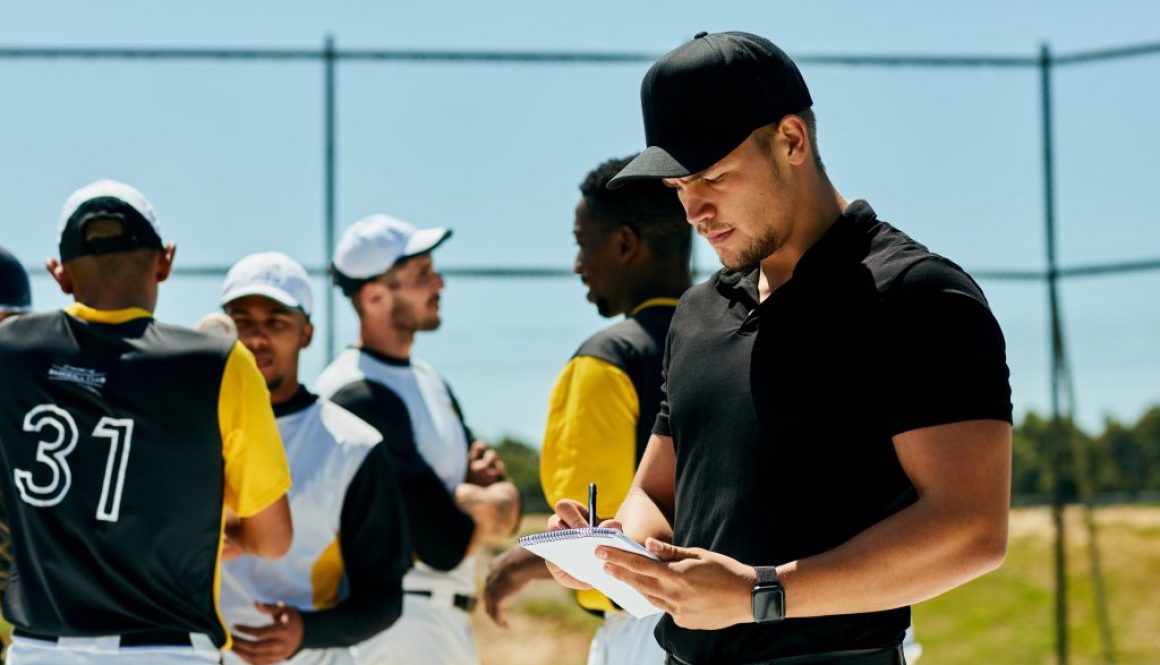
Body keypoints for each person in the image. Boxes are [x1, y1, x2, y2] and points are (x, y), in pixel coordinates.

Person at [547, 32, 1013, 665]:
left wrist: (761, 594)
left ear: (792, 140)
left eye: (712, 176)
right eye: (680, 186)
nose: (695, 210)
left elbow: (971, 531)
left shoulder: (915, 293)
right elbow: (658, 497)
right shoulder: (699, 312)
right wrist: (609, 553)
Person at [0, 180, 293, 665]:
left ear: (60, 275)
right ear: (165, 261)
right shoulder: (219, 363)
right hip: (168, 651)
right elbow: (274, 539)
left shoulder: (9, 352)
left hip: (41, 652)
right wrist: (225, 535)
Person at [482, 155, 691, 665]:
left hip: (647, 625)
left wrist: (519, 563)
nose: (578, 264)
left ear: (624, 244)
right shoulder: (742, 335)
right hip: (738, 617)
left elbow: (594, 536)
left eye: (583, 242)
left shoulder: (607, 358)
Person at [315, 214, 521, 665]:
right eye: (420, 275)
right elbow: (441, 539)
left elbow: (506, 509)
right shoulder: (353, 393)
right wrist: (469, 501)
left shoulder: (431, 382)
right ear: (373, 295)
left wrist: (464, 502)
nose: (439, 283)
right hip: (393, 625)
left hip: (438, 622)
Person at [216, 252, 411, 665]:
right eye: (242, 320)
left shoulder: (352, 446)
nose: (255, 337)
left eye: (276, 322)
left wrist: (306, 631)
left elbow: (384, 597)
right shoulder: (189, 431)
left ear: (307, 333)